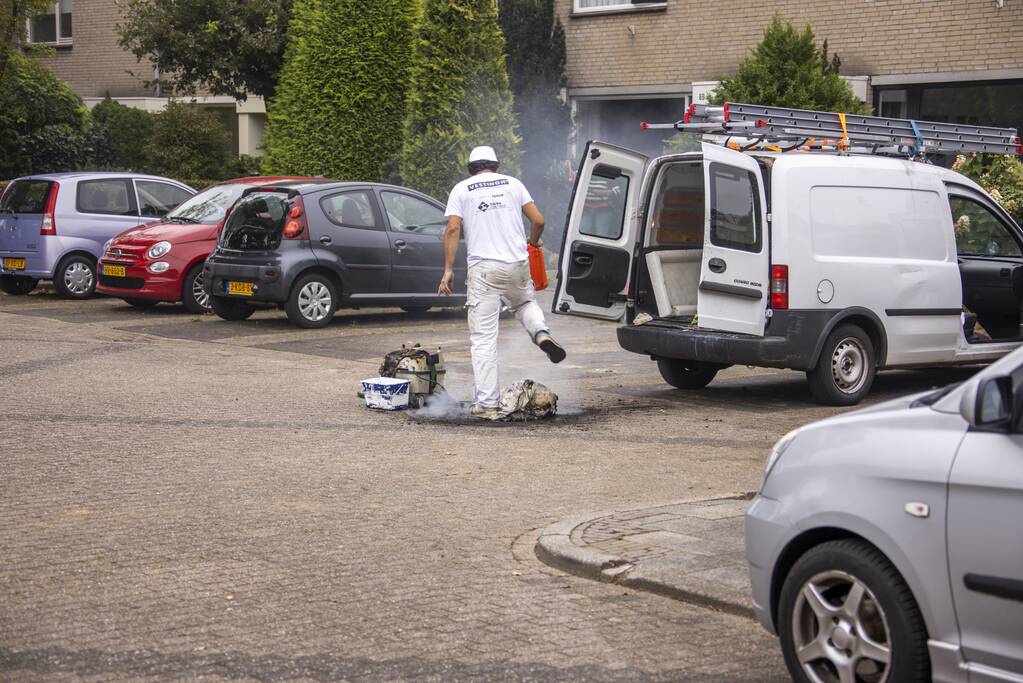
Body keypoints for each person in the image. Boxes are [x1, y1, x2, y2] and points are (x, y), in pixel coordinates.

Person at [438, 145, 566, 420]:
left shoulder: (462, 189)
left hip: (484, 270)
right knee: (525, 302)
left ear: (471, 168)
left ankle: (487, 404)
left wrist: (448, 269)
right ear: (495, 165)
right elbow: (539, 220)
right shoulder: (513, 184)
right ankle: (540, 333)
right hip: (517, 264)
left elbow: (453, 228)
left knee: (483, 338)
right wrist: (532, 243)